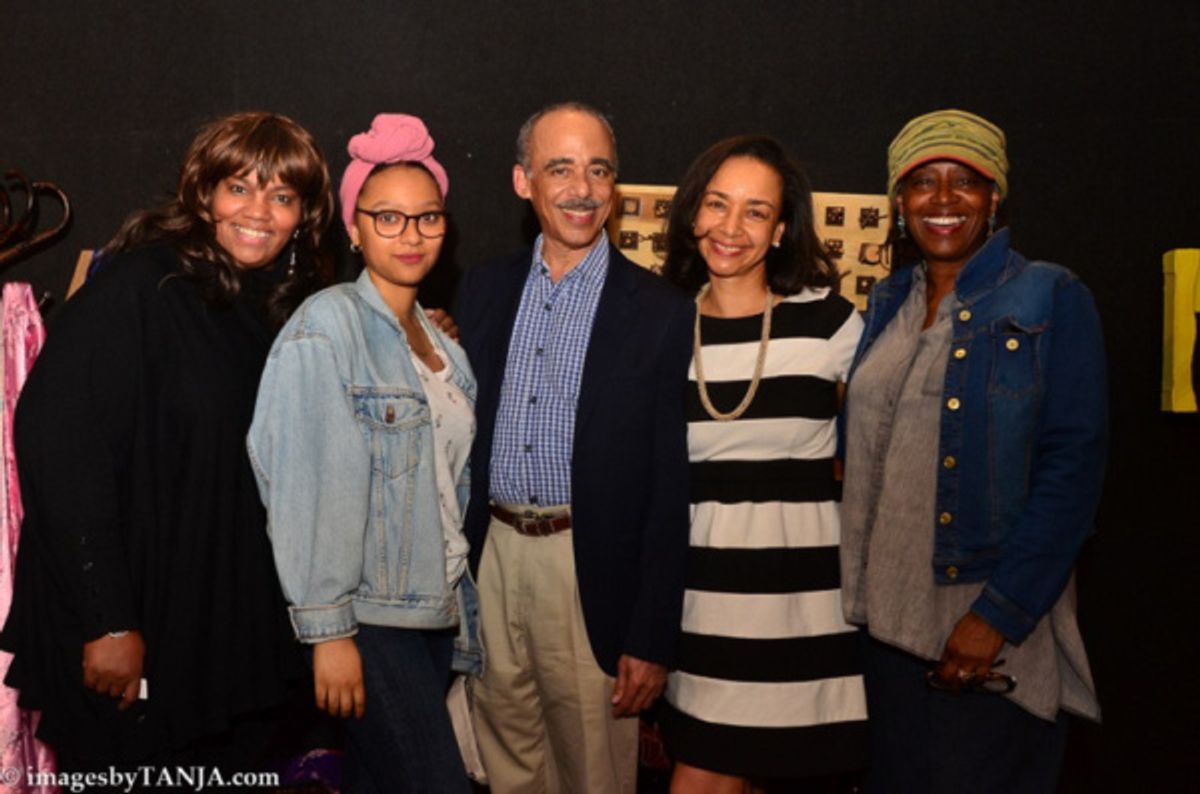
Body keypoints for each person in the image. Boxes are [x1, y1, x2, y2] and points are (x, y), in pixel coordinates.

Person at [0, 111, 335, 768]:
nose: (259, 211)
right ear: (203, 194)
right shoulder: (144, 285)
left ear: (305, 215)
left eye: (282, 195)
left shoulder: (285, 308)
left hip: (232, 641)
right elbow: (57, 442)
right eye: (239, 186)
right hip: (138, 631)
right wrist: (108, 618)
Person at [839, 109, 1106, 793]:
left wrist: (996, 616)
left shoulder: (1048, 294)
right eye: (923, 182)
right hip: (883, 630)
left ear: (995, 198)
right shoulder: (888, 302)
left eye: (967, 180)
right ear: (899, 202)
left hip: (978, 631)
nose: (944, 198)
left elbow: (1072, 474)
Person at [454, 101, 693, 793]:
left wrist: (651, 637)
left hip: (589, 572)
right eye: (560, 169)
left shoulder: (661, 310)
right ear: (522, 181)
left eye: (598, 170)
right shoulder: (481, 289)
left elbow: (671, 489)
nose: (581, 190)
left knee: (595, 773)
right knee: (507, 765)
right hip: (492, 558)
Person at [248, 113, 479, 793]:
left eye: (427, 218)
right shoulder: (325, 329)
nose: (411, 236)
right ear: (353, 227)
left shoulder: (443, 347)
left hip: (434, 608)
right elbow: (304, 491)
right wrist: (329, 634)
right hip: (371, 622)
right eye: (388, 218)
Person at [657, 136, 868, 793]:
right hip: (700, 611)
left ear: (779, 230)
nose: (731, 227)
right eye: (718, 205)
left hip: (805, 613)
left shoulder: (831, 324)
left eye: (755, 212)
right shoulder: (660, 328)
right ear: (693, 215)